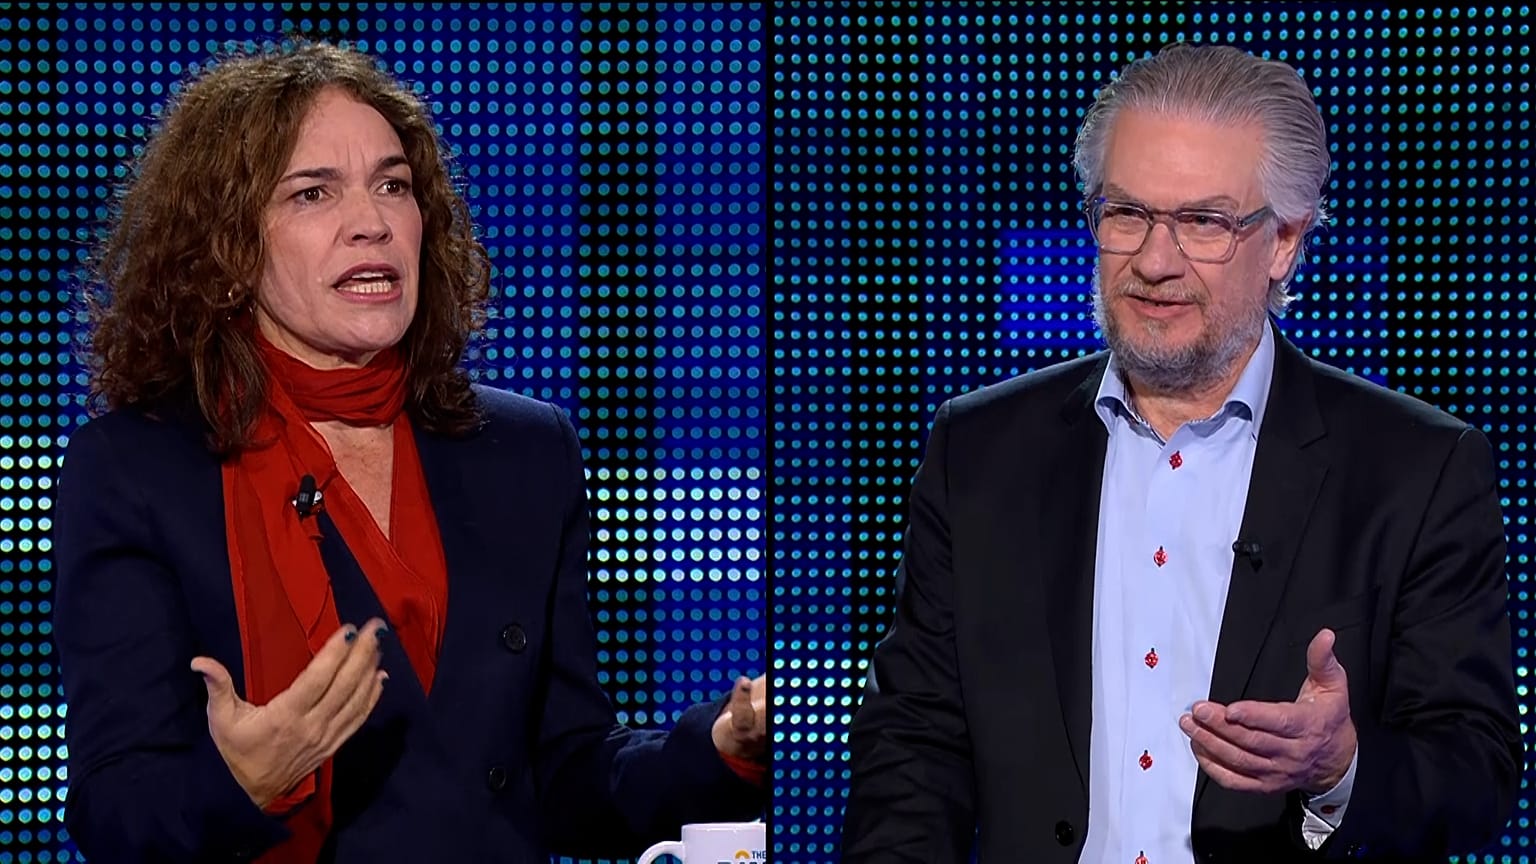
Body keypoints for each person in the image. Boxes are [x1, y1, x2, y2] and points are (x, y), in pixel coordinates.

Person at [53, 41, 767, 863]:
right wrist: (242, 781)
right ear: (227, 247)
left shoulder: (525, 452)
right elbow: (117, 813)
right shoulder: (140, 469)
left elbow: (566, 777)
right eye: (313, 192)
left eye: (393, 185)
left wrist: (719, 745)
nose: (374, 220)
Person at [841, 43, 1520, 863]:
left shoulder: (1418, 469)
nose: (1154, 263)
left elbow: (1475, 777)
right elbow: (911, 751)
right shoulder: (979, 451)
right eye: (1127, 214)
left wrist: (1338, 768)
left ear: (1284, 243)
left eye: (1203, 222)